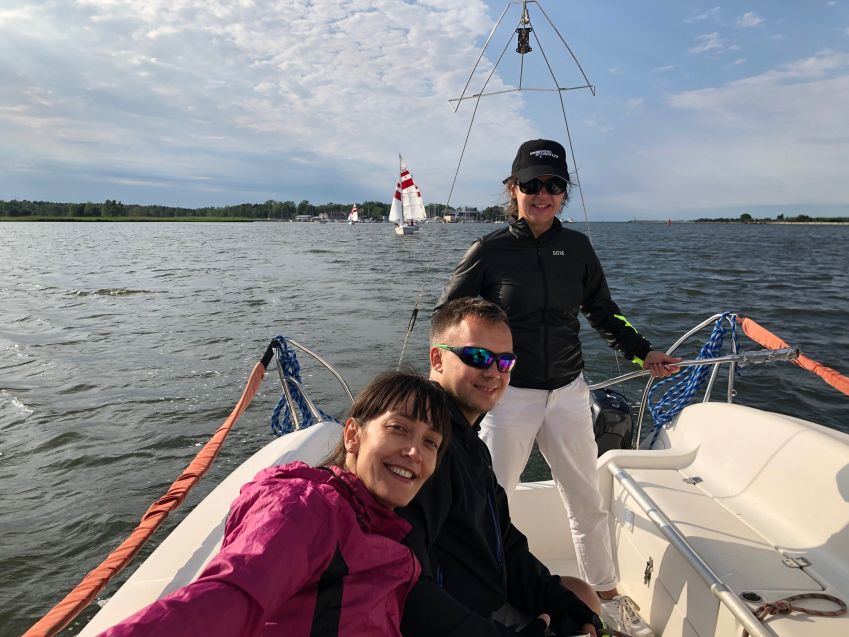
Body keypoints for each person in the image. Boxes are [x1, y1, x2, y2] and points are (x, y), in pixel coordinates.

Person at [434, 139, 681, 637]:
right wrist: (449, 380)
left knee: (586, 499)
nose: (542, 194)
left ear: (565, 193)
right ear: (513, 189)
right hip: (507, 396)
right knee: (490, 503)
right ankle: (490, 599)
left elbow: (603, 311)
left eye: (553, 185)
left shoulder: (579, 249)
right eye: (532, 184)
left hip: (569, 392)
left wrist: (644, 352)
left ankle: (605, 596)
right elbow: (448, 318)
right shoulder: (489, 250)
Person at [98, 371, 452, 637]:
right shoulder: (306, 509)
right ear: (352, 436)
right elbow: (228, 598)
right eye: (398, 428)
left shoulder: (380, 530)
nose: (414, 452)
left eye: (430, 443)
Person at [398, 297, 603, 637]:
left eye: (505, 361)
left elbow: (505, 543)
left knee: (579, 596)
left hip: (484, 594)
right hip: (460, 617)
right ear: (437, 359)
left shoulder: (471, 444)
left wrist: (560, 605)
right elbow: (411, 589)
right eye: (478, 357)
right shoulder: (423, 451)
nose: (493, 372)